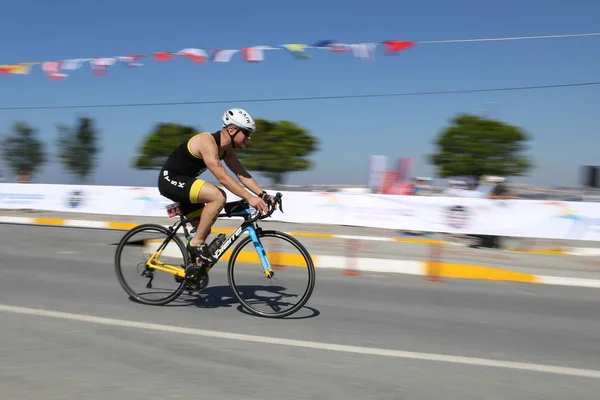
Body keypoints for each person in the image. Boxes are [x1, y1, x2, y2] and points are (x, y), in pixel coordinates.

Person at [158, 107, 273, 265]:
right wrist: (249, 197)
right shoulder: (207, 142)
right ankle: (195, 244)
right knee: (218, 196)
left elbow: (241, 174)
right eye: (246, 132)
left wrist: (263, 195)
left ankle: (189, 270)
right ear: (232, 130)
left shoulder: (227, 151)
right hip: (170, 180)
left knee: (203, 229)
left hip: (185, 185)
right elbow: (223, 178)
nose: (249, 137)